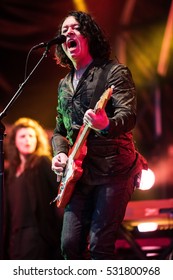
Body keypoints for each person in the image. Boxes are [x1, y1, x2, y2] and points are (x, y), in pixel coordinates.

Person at [51, 11, 143, 260]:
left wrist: (105, 124)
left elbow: (128, 116)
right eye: (63, 30)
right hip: (79, 174)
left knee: (101, 246)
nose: (67, 32)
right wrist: (59, 153)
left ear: (89, 35)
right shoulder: (64, 84)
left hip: (114, 170)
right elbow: (60, 129)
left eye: (75, 28)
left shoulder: (114, 72)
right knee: (69, 244)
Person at [3, 117, 63, 260]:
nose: (27, 140)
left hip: (37, 234)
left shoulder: (42, 162)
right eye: (23, 136)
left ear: (37, 140)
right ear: (15, 141)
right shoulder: (10, 172)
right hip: (15, 236)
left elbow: (60, 190)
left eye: (31, 136)